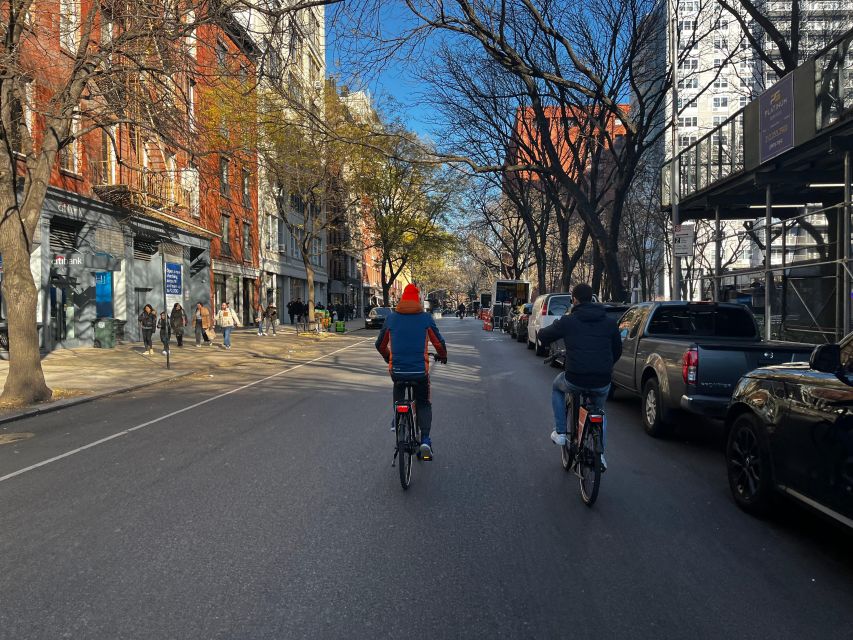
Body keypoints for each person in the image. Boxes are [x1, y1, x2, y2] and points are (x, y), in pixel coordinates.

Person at [537, 283, 622, 471]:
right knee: (599, 411)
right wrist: (605, 366)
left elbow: (544, 335)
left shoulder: (569, 321)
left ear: (574, 300)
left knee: (557, 386)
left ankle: (560, 432)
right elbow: (617, 351)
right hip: (602, 380)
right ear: (592, 298)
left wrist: (542, 340)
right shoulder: (609, 322)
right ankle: (600, 455)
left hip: (575, 379)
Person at [376, 283, 447, 460]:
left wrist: (388, 357)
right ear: (418, 300)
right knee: (423, 403)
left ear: (402, 299)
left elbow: (380, 344)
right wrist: (442, 355)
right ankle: (424, 440)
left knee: (398, 385)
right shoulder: (425, 318)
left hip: (398, 370)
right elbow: (438, 342)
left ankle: (397, 416)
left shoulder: (391, 318)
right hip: (419, 372)